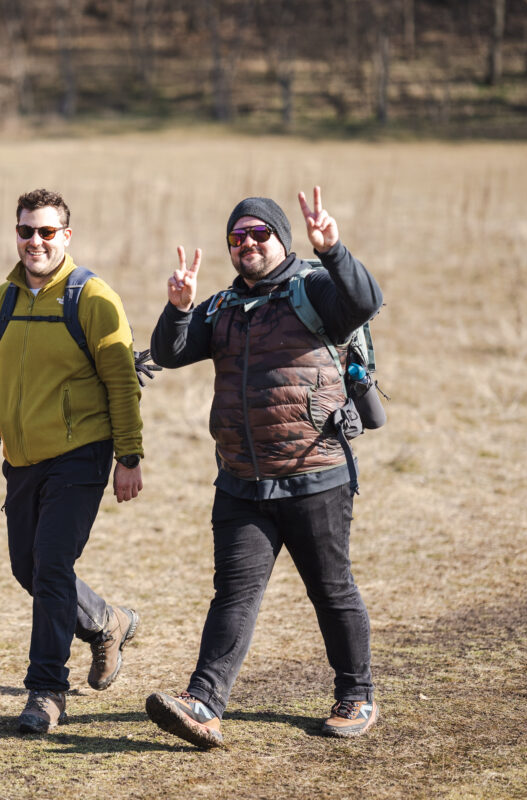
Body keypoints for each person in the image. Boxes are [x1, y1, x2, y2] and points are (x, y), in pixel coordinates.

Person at [145, 187, 383, 747]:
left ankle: (357, 694)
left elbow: (365, 301)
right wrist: (179, 307)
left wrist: (334, 249)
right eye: (237, 237)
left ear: (282, 239)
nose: (247, 244)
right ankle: (203, 702)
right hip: (241, 482)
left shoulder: (315, 290)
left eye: (259, 234)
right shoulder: (225, 306)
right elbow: (172, 352)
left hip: (315, 474)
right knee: (233, 593)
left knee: (331, 589)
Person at [0, 188, 144, 734]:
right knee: (27, 569)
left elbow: (122, 384)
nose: (35, 241)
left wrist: (129, 455)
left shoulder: (94, 299)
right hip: (22, 458)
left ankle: (47, 691)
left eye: (47, 232)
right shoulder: (0, 301)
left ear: (66, 237)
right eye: (26, 231)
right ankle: (106, 622)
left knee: (52, 566)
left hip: (82, 454)